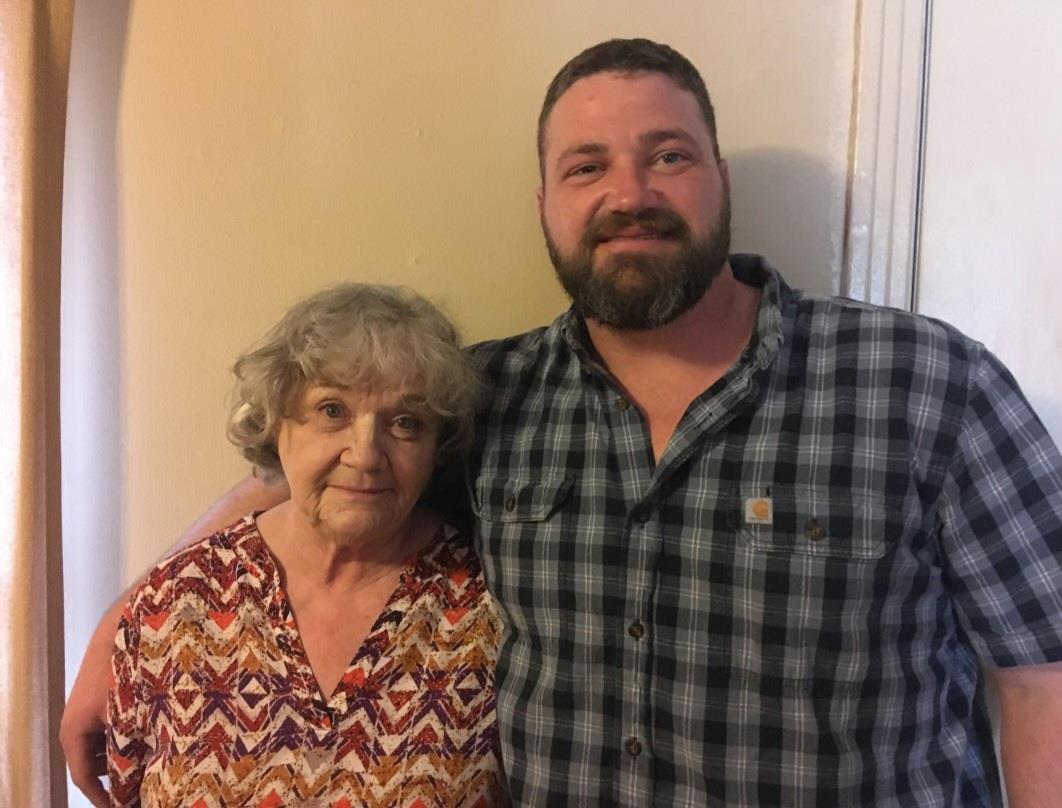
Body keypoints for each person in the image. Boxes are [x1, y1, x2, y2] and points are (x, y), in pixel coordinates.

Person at [64, 38, 1062, 807]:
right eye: (587, 167)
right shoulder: (486, 396)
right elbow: (308, 479)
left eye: (667, 155)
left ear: (720, 177)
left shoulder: (928, 386)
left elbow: (1041, 674)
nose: (630, 193)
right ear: (545, 202)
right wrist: (123, 625)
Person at [105, 284, 505, 806]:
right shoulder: (174, 602)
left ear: (438, 447)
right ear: (275, 422)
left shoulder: (491, 612)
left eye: (406, 423)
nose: (365, 455)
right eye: (332, 410)